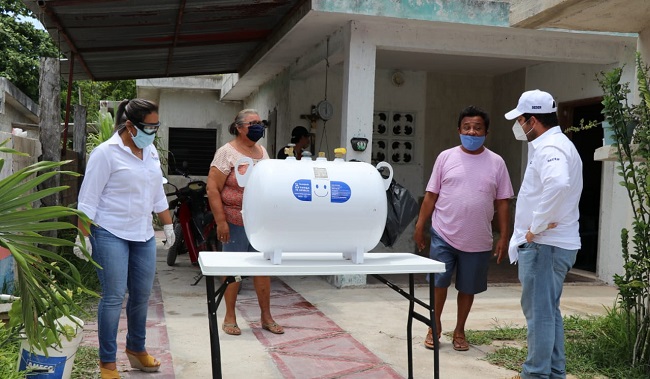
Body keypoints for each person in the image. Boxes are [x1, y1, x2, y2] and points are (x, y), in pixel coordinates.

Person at [75, 99, 175, 379]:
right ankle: (107, 362)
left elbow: (157, 194)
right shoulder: (105, 153)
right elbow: (88, 200)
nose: (153, 132)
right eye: (148, 127)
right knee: (114, 296)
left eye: (157, 127)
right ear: (130, 125)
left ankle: (136, 350)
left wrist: (168, 226)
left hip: (142, 234)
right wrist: (82, 236)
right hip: (109, 231)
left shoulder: (151, 151)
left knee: (142, 296)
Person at [414, 105, 513, 352]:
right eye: (467, 127)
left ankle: (459, 330)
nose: (472, 132)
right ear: (458, 129)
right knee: (439, 283)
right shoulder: (445, 157)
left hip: (478, 239)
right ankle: (434, 326)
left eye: (477, 128)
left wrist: (505, 236)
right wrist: (419, 226)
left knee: (468, 287)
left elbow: (503, 203)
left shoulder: (497, 163)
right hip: (443, 234)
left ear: (486, 132)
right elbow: (430, 196)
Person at [504, 89, 582, 379]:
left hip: (544, 246)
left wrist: (535, 227)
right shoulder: (560, 145)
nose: (519, 126)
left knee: (539, 315)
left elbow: (559, 183)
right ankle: (553, 372)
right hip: (553, 245)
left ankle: (535, 374)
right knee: (549, 312)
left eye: (520, 119)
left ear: (533, 120)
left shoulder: (550, 149)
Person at [206, 108, 284, 336]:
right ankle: (230, 316)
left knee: (263, 271)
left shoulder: (262, 152)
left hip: (259, 225)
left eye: (260, 122)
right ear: (239, 127)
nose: (258, 126)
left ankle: (266, 316)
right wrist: (221, 222)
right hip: (233, 222)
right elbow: (212, 188)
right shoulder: (226, 153)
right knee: (234, 270)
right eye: (253, 123)